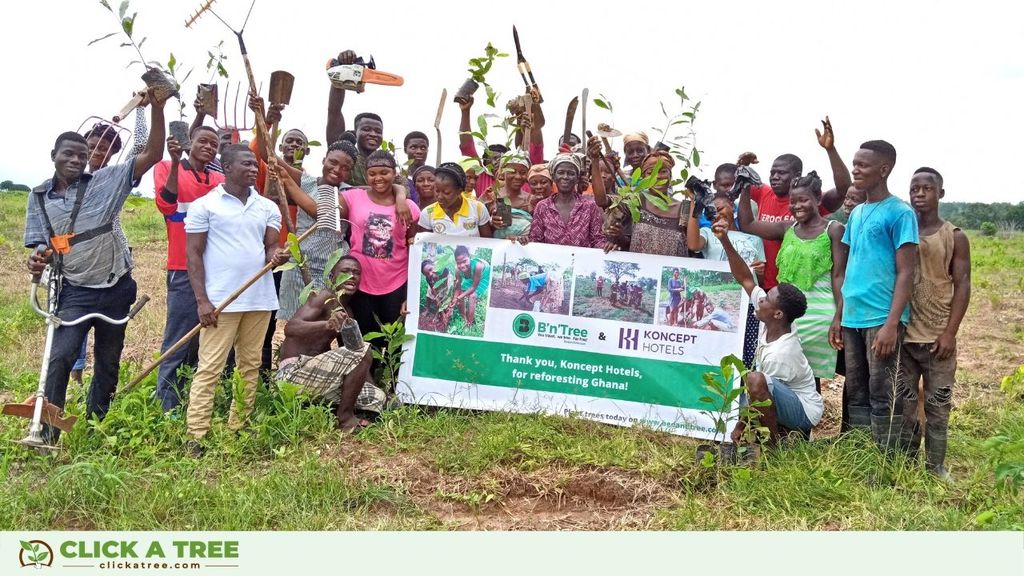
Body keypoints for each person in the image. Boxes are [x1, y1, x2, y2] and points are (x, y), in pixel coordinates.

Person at [24, 87, 168, 444]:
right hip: (74, 289)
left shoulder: (106, 181)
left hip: (116, 285)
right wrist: (39, 257)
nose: (76, 160)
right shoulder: (38, 196)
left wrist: (158, 109)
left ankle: (96, 425)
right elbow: (39, 241)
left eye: (82, 155)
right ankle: (46, 433)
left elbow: (151, 153)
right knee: (60, 357)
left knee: (108, 361)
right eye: (69, 153)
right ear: (53, 155)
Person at [183, 144, 289, 454]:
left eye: (254, 165)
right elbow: (193, 254)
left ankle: (238, 427)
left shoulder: (267, 207)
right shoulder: (205, 206)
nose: (253, 169)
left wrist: (276, 256)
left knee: (250, 365)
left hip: (259, 299)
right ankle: (196, 435)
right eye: (246, 164)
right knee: (211, 367)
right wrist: (202, 300)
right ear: (226, 168)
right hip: (221, 302)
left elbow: (270, 247)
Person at [840, 140, 918, 449]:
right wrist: (840, 316)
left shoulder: (900, 213)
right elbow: (850, 267)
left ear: (883, 170)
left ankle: (887, 457)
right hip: (852, 316)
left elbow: (906, 272)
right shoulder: (857, 212)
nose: (855, 170)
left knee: (883, 390)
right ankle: (861, 454)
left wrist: (891, 324)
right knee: (856, 390)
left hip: (880, 317)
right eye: (854, 163)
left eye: (863, 165)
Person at [715, 220, 822, 445]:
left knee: (754, 380)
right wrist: (725, 240)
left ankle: (771, 448)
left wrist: (739, 426)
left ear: (778, 314)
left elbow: (761, 399)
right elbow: (745, 277)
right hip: (783, 396)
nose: (760, 299)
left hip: (804, 411)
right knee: (753, 381)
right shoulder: (771, 321)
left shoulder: (782, 352)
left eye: (766, 299)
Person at [737, 172, 848, 385]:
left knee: (809, 375)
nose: (797, 206)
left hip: (820, 315)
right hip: (787, 314)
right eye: (793, 201)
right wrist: (744, 187)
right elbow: (748, 223)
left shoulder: (834, 229)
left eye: (804, 200)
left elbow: (839, 276)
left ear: (817, 199)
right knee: (785, 370)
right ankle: (787, 417)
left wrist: (838, 317)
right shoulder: (787, 228)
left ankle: (807, 414)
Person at [897, 167, 971, 479]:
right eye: (914, 188)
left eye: (927, 188)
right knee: (904, 403)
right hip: (903, 334)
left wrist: (950, 332)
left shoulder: (954, 236)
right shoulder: (902, 231)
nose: (920, 194)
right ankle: (905, 462)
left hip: (937, 335)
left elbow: (963, 283)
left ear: (940, 193)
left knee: (939, 404)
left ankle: (935, 465)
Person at [153, 125, 225, 411]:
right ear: (189, 143)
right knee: (178, 337)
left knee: (207, 337)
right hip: (182, 267)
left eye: (214, 143)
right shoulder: (167, 167)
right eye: (203, 141)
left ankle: (193, 398)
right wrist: (173, 162)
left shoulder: (219, 178)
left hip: (216, 269)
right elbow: (167, 204)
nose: (208, 147)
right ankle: (167, 405)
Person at [737, 118, 850, 288]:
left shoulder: (815, 199)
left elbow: (843, 189)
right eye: (772, 173)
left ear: (797, 175)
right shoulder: (765, 194)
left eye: (781, 173)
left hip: (806, 289)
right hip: (765, 283)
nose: (775, 177)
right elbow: (732, 185)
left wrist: (830, 150)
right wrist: (742, 169)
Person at [277, 256, 380, 434]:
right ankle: (345, 419)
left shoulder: (346, 312)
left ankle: (322, 407)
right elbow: (290, 328)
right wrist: (326, 324)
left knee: (377, 397)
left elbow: (355, 358)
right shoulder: (323, 297)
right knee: (364, 349)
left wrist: (375, 389)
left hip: (318, 378)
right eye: (345, 271)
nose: (352, 276)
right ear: (332, 278)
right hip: (293, 374)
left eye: (356, 273)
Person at [270, 140, 358, 322]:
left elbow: (321, 212)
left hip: (331, 267)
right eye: (333, 162)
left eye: (345, 167)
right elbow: (268, 155)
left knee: (325, 321)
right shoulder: (306, 181)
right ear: (324, 160)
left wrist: (286, 180)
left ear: (350, 172)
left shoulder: (348, 194)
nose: (337, 169)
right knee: (291, 319)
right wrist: (265, 117)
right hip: (299, 262)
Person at [339, 150, 420, 340]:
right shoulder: (352, 197)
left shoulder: (410, 207)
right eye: (372, 173)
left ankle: (391, 372)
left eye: (384, 172)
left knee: (396, 340)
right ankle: (369, 371)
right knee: (366, 338)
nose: (378, 178)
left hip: (396, 282)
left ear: (394, 173)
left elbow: (414, 249)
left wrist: (411, 291)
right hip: (361, 281)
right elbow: (319, 211)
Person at [688, 191, 766, 366]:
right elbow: (693, 244)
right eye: (711, 211)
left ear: (733, 207)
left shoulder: (753, 239)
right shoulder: (708, 233)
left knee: (746, 352)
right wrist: (695, 205)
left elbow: (760, 276)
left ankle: (743, 390)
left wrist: (760, 271)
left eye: (720, 208)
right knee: (717, 349)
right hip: (721, 301)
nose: (717, 213)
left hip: (749, 303)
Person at [598, 145, 691, 257]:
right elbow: (602, 201)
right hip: (640, 271)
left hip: (669, 273)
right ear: (643, 177)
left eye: (663, 171)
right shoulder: (636, 200)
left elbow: (693, 246)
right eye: (650, 173)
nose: (657, 176)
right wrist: (594, 161)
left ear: (670, 175)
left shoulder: (684, 208)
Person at [458, 96, 543, 198]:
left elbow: (536, 149)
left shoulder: (523, 176)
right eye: (490, 160)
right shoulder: (480, 177)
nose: (495, 163)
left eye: (498, 158)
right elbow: (467, 146)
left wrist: (535, 127)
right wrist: (465, 111)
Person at [326, 51, 385, 187]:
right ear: (355, 132)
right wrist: (341, 71)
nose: (373, 134)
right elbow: (334, 112)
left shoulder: (386, 165)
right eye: (366, 129)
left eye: (378, 131)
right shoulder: (345, 157)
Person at [528, 153, 606, 248]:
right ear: (553, 177)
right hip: (551, 262)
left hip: (581, 261)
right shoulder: (542, 206)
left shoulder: (589, 206)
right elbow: (535, 240)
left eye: (571, 173)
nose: (565, 177)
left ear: (577, 178)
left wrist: (607, 247)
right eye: (560, 172)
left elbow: (597, 239)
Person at [418, 163, 493, 237]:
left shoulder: (478, 209)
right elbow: (425, 245)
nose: (440, 197)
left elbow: (487, 242)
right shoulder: (427, 213)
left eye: (446, 193)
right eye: (437, 191)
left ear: (459, 191)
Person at [491, 153, 533, 240]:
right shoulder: (491, 196)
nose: (518, 176)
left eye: (523, 173)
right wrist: (491, 222)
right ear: (503, 173)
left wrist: (523, 238)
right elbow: (478, 225)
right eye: (512, 172)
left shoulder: (531, 201)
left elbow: (537, 232)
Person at [454, 246, 490, 328]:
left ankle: (469, 324)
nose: (462, 265)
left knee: (472, 296)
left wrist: (459, 297)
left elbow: (473, 287)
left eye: (464, 261)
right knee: (461, 292)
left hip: (484, 275)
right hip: (473, 276)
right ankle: (464, 318)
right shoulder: (457, 270)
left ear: (469, 257)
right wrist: (455, 298)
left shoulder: (478, 266)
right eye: (458, 263)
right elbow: (458, 287)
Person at [403, 131, 430, 203]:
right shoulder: (399, 179)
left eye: (423, 148)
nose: (419, 151)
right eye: (413, 147)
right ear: (405, 150)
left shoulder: (435, 178)